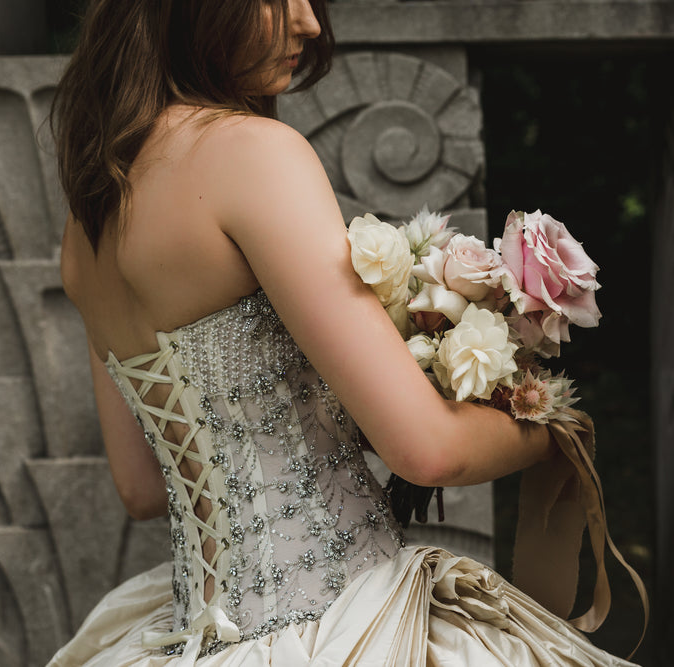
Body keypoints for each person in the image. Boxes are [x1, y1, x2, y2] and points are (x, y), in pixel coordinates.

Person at [48, 0, 639, 664]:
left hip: (195, 639)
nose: (307, 24)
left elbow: (142, 485)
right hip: (343, 621)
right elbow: (428, 449)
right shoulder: (248, 152)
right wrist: (554, 429)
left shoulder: (86, 214)